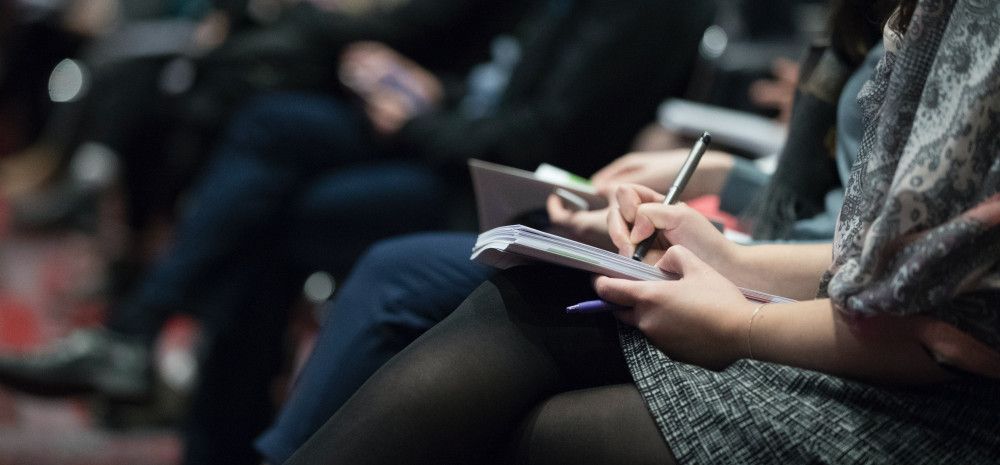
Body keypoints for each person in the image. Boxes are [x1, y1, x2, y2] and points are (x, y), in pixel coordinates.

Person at [282, 0, 1000, 463]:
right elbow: (876, 256)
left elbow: (950, 325)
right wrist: (724, 250)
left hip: (946, 408)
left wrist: (741, 318)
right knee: (515, 290)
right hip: (859, 321)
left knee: (518, 408)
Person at [0, 1, 716, 464]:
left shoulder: (646, 13)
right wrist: (422, 86)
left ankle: (176, 381)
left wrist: (420, 118)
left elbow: (539, 135)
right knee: (268, 125)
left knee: (276, 216)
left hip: (509, 192)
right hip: (453, 138)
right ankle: (159, 361)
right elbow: (474, 60)